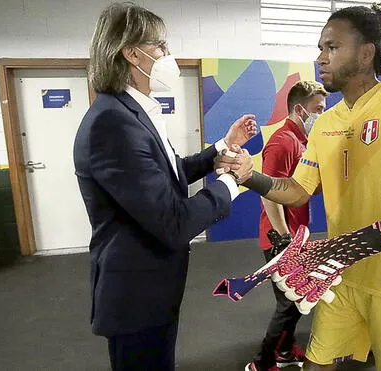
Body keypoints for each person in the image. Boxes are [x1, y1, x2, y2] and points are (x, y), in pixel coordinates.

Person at [233, 4, 381, 370]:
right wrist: (248, 174)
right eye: (320, 48)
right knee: (317, 364)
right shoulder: (324, 123)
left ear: (365, 53)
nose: (320, 57)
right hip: (343, 281)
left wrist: (344, 247)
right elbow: (297, 190)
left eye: (331, 47)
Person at [73, 3, 256, 370]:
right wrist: (231, 181)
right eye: (160, 46)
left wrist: (221, 149)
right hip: (135, 294)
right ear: (131, 52)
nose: (167, 55)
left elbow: (170, 174)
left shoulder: (133, 112)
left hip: (153, 286)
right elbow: (174, 222)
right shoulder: (113, 123)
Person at [246, 80, 327, 371]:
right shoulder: (282, 142)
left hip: (297, 234)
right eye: (318, 109)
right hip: (281, 238)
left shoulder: (302, 141)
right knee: (287, 304)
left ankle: (283, 349)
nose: (322, 114)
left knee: (296, 300)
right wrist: (284, 239)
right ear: (299, 109)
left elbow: (299, 187)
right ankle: (262, 362)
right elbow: (269, 192)